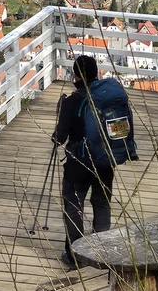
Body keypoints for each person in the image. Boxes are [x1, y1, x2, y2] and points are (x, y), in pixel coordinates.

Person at [52, 55, 119, 266]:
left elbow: (59, 137)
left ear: (76, 76)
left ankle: (75, 256)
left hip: (79, 163)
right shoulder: (108, 97)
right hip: (105, 160)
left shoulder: (72, 101)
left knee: (73, 205)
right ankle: (102, 255)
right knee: (101, 203)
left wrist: (59, 118)